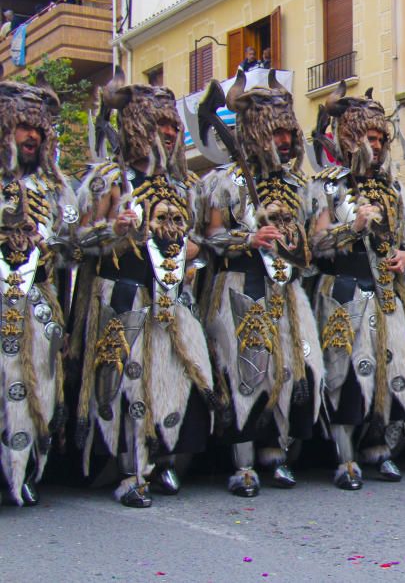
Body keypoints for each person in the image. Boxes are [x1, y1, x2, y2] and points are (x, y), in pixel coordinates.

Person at [75, 83, 214, 508]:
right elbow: (79, 240)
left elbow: (199, 243)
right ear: (137, 126)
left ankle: (166, 457)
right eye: (162, 124)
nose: (171, 133)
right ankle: (132, 471)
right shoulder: (109, 180)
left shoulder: (184, 183)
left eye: (175, 125)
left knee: (180, 378)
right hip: (125, 296)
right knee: (129, 385)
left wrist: (188, 250)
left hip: (172, 300)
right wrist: (114, 230)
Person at [197, 70, 323, 497]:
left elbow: (313, 239)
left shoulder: (297, 185)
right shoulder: (221, 182)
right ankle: (244, 463)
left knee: (292, 370)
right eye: (277, 133)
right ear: (255, 132)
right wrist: (249, 237)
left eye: (289, 133)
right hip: (240, 284)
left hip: (286, 291)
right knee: (247, 371)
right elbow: (210, 236)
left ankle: (277, 453)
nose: (286, 141)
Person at [308, 85, 405, 489]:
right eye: (368, 138)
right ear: (350, 137)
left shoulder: (392, 187)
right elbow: (315, 244)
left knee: (395, 369)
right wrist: (351, 228)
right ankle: (345, 457)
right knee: (346, 373)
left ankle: (380, 449)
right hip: (343, 290)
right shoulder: (326, 185)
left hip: (389, 294)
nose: (375, 146)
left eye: (380, 139)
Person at [0, 82, 78, 507]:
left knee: (38, 385)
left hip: (40, 301)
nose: (31, 136)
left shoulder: (59, 191)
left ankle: (27, 469)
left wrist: (54, 244)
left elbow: (76, 243)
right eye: (22, 127)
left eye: (38, 129)